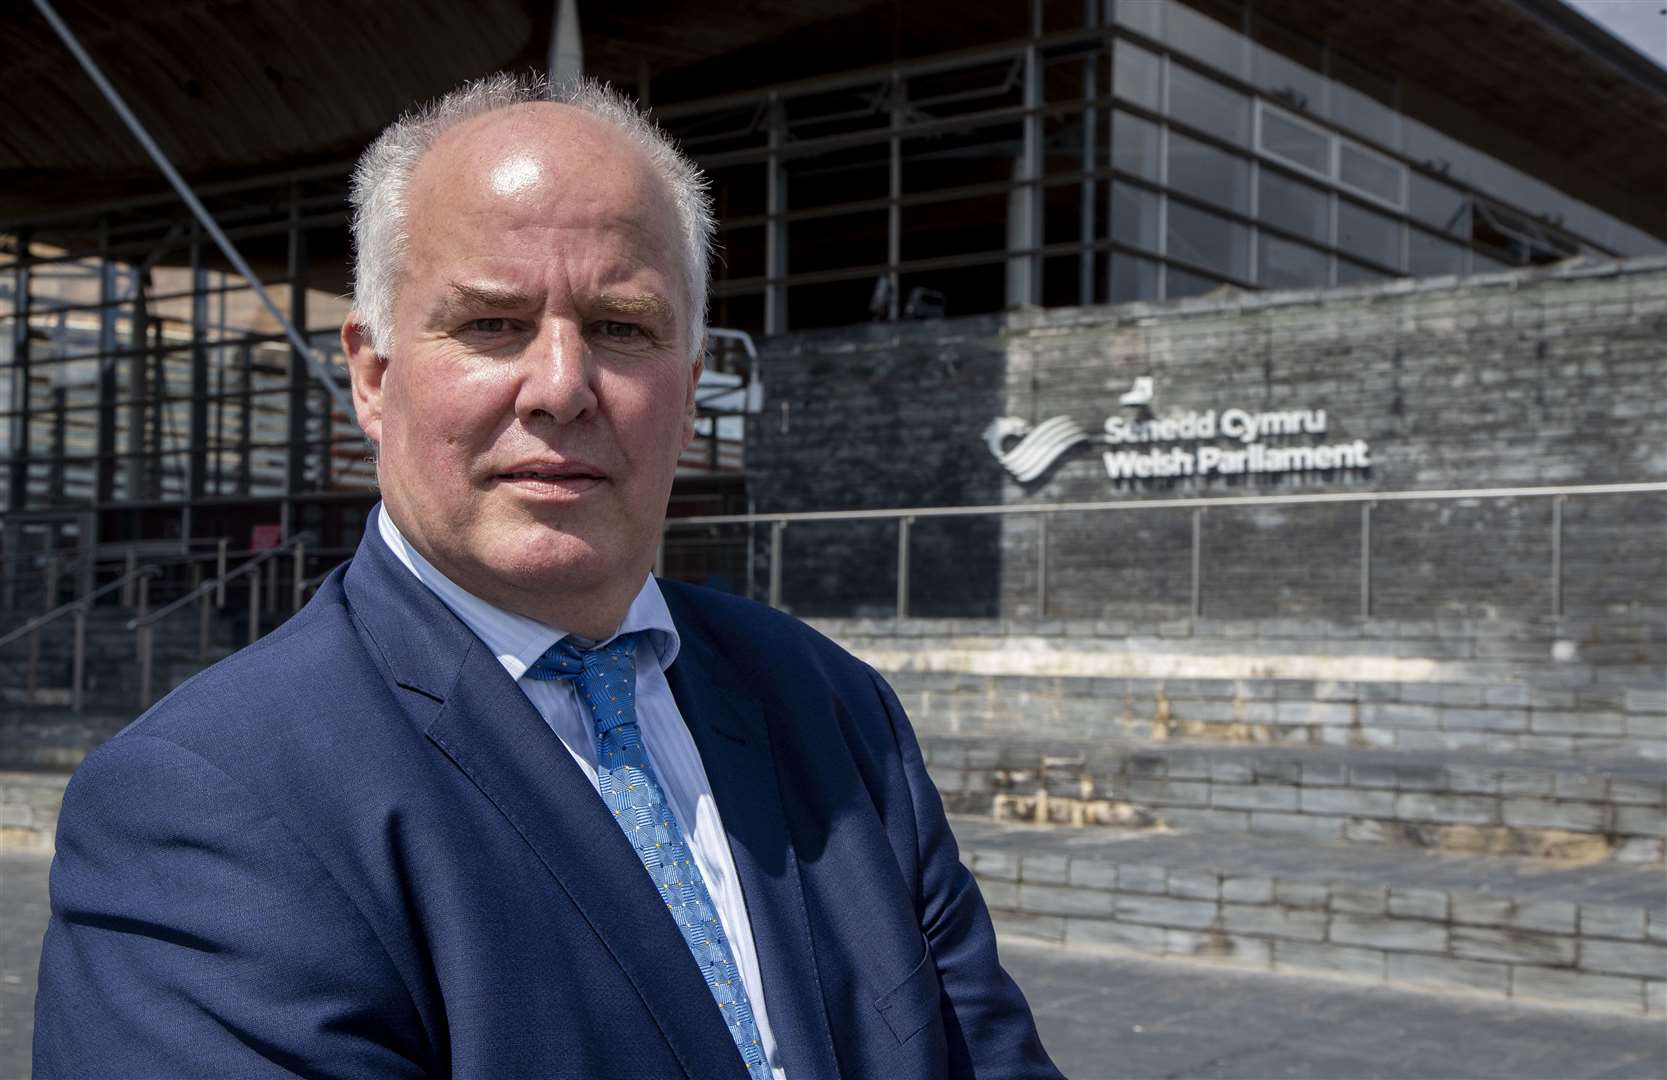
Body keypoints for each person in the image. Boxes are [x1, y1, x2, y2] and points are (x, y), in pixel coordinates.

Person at [33, 75, 1061, 1079]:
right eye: (489, 324)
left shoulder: (834, 713)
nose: (563, 387)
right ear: (372, 377)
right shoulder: (207, 801)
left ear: (690, 390)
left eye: (621, 328)